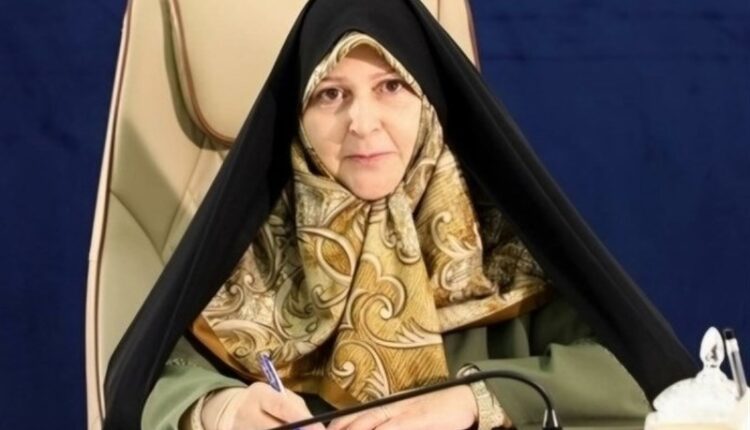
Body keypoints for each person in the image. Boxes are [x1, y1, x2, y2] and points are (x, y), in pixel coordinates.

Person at [102, 1, 696, 429]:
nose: (362, 123)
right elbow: (155, 379)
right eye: (331, 94)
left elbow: (641, 376)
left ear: (430, 101)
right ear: (299, 119)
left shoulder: (501, 241)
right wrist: (224, 409)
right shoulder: (254, 250)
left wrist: (473, 399)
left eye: (390, 86)